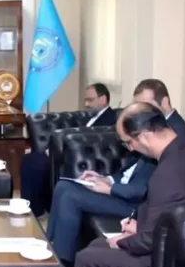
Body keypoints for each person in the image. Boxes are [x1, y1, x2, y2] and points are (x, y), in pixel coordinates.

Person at [36, 102, 185, 267]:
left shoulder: (168, 173)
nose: (130, 149)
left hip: (162, 261)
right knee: (96, 246)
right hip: (171, 244)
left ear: (144, 135)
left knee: (89, 258)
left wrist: (124, 242)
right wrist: (137, 223)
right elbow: (167, 210)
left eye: (128, 143)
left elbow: (149, 239)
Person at [20, 83, 117, 217]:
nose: (87, 104)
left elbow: (91, 140)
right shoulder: (92, 115)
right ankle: (30, 206)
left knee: (36, 163)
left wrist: (58, 148)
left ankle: (34, 209)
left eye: (90, 100)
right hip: (71, 153)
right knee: (30, 160)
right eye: (86, 100)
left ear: (103, 99)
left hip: (81, 158)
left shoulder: (110, 118)